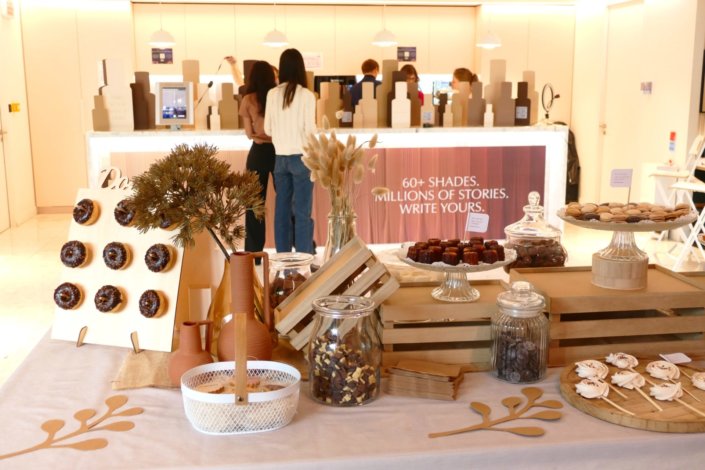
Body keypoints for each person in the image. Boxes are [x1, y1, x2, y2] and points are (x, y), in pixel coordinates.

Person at [264, 48, 317, 254]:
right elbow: (310, 130)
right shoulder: (306, 95)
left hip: (280, 159)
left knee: (282, 212)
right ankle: (303, 262)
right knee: (302, 213)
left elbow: (267, 129)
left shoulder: (272, 94)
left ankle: (284, 263)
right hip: (302, 158)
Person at [239, 61, 278, 256]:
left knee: (254, 205)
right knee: (287, 202)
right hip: (280, 151)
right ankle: (290, 250)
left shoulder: (247, 100)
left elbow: (248, 133)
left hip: (258, 152)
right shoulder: (278, 97)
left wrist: (258, 135)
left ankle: (254, 254)